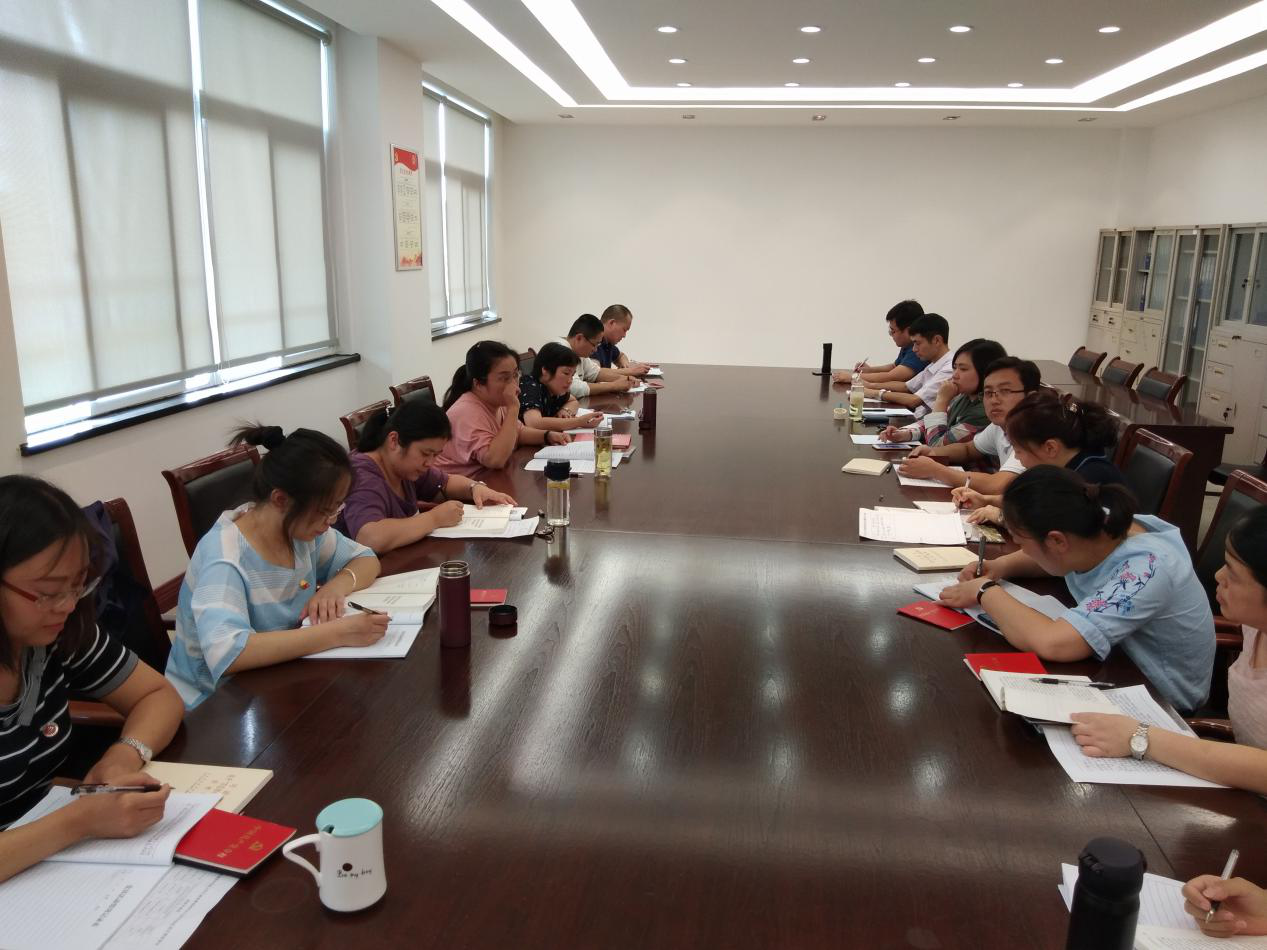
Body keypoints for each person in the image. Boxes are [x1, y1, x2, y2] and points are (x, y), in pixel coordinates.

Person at [0, 476, 184, 881]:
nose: (68, 605)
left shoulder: (53, 634)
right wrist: (78, 822)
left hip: (44, 861)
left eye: (78, 585)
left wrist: (123, 755)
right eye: (49, 592)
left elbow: (158, 695)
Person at [938, 466, 1214, 714]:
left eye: (1022, 542)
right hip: (1114, 661)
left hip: (1157, 698)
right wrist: (1000, 567)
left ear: (1057, 541)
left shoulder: (1146, 568)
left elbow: (1054, 643)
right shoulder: (1091, 524)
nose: (1023, 550)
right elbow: (1055, 557)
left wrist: (985, 591)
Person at [166, 425, 390, 709]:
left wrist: (336, 586)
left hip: (277, 682)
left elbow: (367, 559)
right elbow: (230, 653)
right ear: (281, 500)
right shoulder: (225, 557)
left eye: (336, 509)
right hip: (213, 706)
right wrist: (338, 633)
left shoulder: (300, 531)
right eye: (325, 511)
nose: (330, 522)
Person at [1068, 508, 1267, 793]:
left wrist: (1141, 738)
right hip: (1238, 783)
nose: (1218, 575)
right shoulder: (1254, 624)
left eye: (1233, 574)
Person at [337, 400, 518, 554]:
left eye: (436, 455)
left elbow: (445, 483)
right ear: (394, 441)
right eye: (425, 453)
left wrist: (475, 488)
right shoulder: (361, 473)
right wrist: (434, 519)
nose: (430, 463)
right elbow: (369, 537)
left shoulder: (403, 466)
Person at [957, 390, 1125, 524]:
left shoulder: (1089, 477)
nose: (1018, 459)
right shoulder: (1065, 462)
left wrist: (1002, 516)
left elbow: (1054, 528)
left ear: (1050, 448)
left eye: (1019, 451)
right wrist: (986, 500)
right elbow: (1033, 502)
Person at [896, 357, 1042, 493]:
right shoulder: (999, 426)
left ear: (1031, 397)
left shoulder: (1035, 433)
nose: (994, 400)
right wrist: (933, 453)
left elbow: (997, 485)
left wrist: (935, 470)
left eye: (1005, 391)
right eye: (988, 392)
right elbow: (968, 449)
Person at [435, 340, 566, 476]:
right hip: (462, 485)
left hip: (489, 478)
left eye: (515, 375)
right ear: (478, 383)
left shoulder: (497, 402)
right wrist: (514, 408)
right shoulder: (466, 412)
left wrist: (547, 436)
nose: (514, 384)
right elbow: (495, 460)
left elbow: (518, 432)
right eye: (504, 378)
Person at [879, 338, 1004, 448]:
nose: (955, 375)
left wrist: (941, 400)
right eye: (955, 368)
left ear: (986, 372)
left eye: (963, 369)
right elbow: (934, 423)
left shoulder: (984, 411)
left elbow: (937, 444)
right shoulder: (965, 397)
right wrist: (905, 433)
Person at [861, 312, 952, 417]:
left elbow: (915, 400)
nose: (914, 349)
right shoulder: (934, 363)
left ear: (937, 340)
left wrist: (873, 393)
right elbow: (906, 386)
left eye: (917, 343)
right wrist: (870, 385)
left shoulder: (950, 368)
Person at [834, 299, 926, 386]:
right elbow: (894, 367)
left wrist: (852, 377)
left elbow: (892, 376)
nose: (891, 334)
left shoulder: (919, 350)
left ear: (908, 331)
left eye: (893, 331)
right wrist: (869, 370)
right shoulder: (908, 345)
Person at [519, 343, 605, 433]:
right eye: (566, 373)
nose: (570, 381)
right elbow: (534, 423)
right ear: (545, 370)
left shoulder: (552, 388)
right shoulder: (529, 386)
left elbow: (573, 401)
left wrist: (565, 411)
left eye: (572, 375)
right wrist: (579, 422)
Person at [556, 314, 635, 398]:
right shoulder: (560, 351)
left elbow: (596, 373)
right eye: (594, 345)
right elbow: (573, 388)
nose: (595, 350)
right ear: (579, 338)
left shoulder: (579, 352)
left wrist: (624, 379)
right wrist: (614, 386)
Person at [594, 304, 652, 376]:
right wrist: (630, 371)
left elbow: (621, 356)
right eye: (624, 330)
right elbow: (597, 373)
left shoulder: (607, 342)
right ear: (612, 323)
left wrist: (625, 365)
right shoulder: (592, 339)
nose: (624, 335)